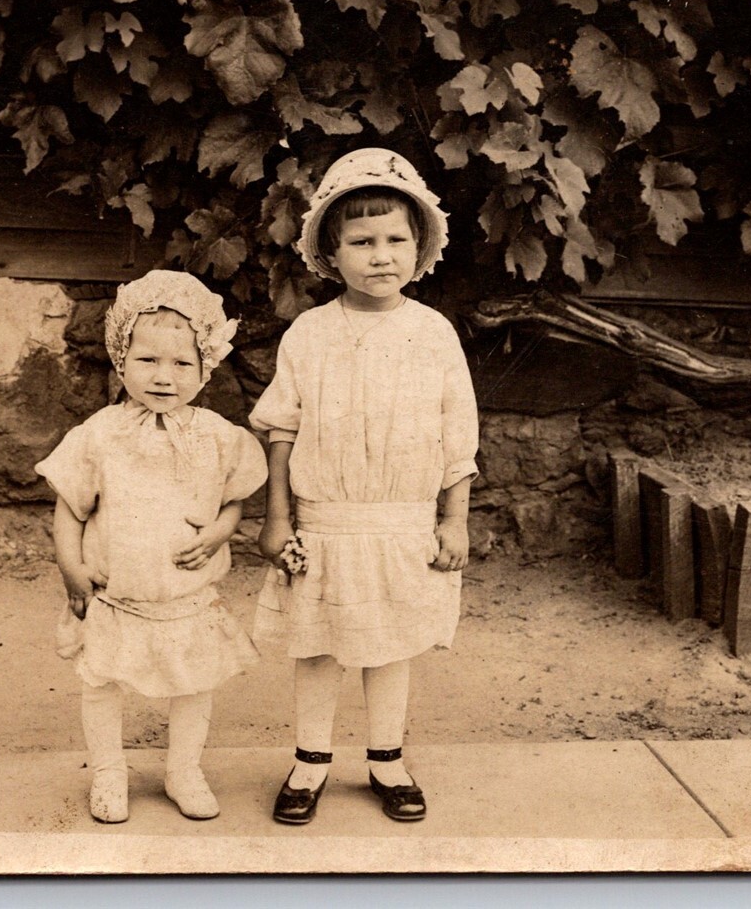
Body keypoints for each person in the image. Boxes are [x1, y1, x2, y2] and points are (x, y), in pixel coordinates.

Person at [251, 147, 479, 824]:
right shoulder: (310, 334)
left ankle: (387, 759)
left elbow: (456, 436)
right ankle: (309, 760)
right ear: (331, 250)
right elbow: (283, 431)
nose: (382, 256)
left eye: (396, 240)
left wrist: (454, 519)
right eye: (362, 241)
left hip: (403, 521)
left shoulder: (433, 333)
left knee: (391, 643)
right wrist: (277, 520)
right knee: (320, 642)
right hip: (325, 521)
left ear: (419, 247)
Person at [37, 270, 267, 824]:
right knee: (103, 681)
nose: (164, 377)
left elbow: (234, 500)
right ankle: (109, 771)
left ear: (204, 367)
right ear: (121, 358)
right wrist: (72, 567)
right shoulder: (101, 433)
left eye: (182, 363)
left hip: (185, 594)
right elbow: (70, 506)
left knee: (193, 684)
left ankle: (183, 769)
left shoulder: (217, 436)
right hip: (118, 592)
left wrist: (220, 530)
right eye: (148, 361)